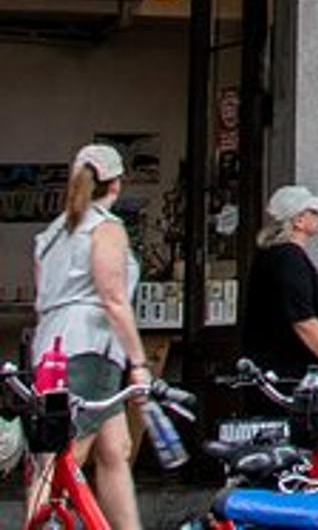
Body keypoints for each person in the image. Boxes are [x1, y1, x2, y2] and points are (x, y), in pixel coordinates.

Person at [27, 145, 147, 530]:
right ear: (115, 182)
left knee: (115, 449)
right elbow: (113, 298)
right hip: (90, 348)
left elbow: (42, 295)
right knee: (66, 455)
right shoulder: (105, 227)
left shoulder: (51, 234)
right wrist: (139, 363)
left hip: (51, 346)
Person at [243, 184, 318, 380]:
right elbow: (303, 319)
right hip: (292, 373)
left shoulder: (272, 255)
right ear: (299, 220)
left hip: (277, 368)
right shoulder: (289, 258)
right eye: (313, 212)